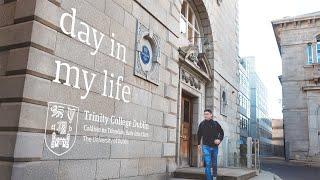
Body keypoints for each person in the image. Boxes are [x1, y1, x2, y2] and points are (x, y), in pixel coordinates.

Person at [197, 109, 224, 180]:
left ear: (211, 115)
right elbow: (199, 134)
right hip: (205, 146)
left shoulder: (216, 123)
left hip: (215, 147)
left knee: (214, 163)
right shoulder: (202, 124)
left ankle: (214, 176)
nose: (205, 115)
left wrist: (219, 139)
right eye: (204, 114)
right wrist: (198, 144)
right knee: (208, 163)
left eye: (207, 114)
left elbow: (221, 132)